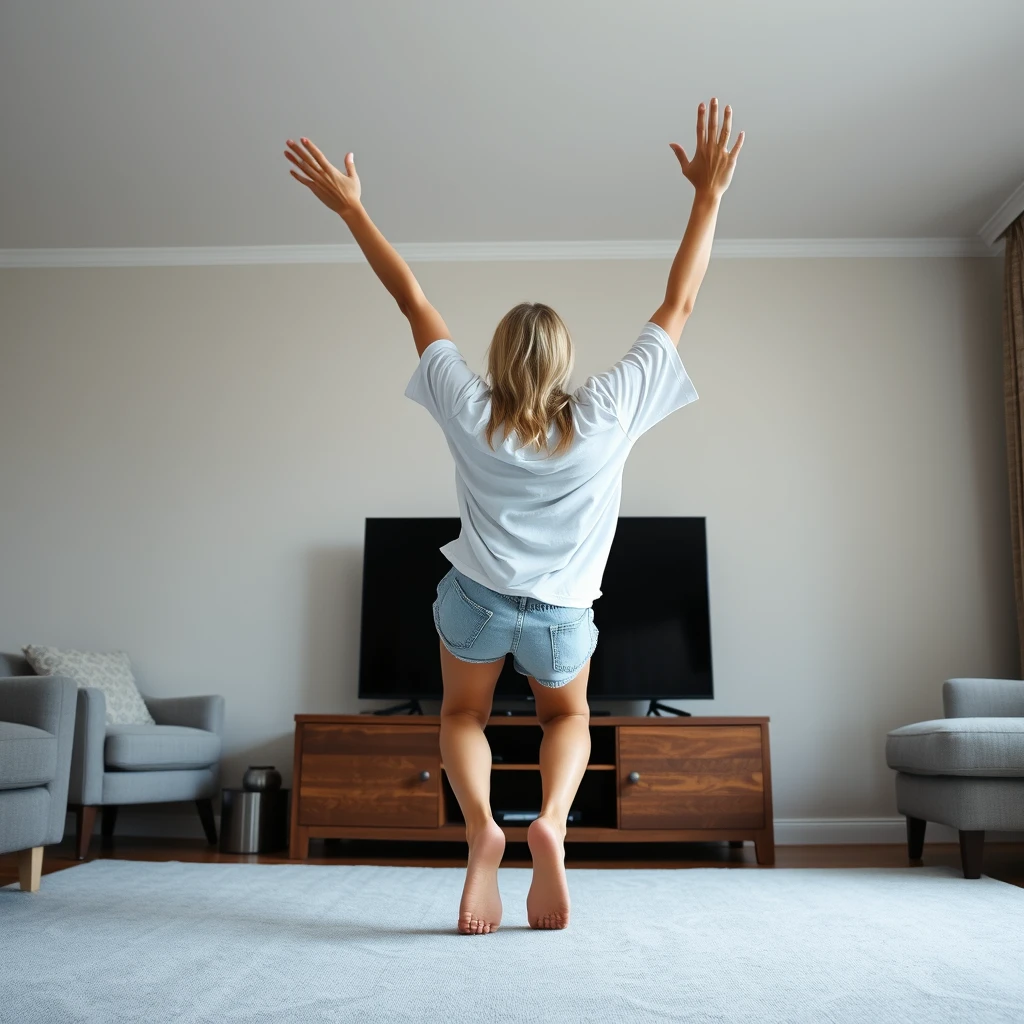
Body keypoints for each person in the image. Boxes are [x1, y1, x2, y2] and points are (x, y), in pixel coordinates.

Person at [285, 97, 744, 935]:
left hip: (475, 601)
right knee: (567, 716)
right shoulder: (606, 411)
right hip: (563, 614)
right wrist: (706, 196)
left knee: (461, 714)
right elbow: (679, 300)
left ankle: (481, 831)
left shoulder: (468, 406)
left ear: (497, 359)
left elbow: (411, 299)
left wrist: (354, 210)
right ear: (567, 361)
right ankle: (552, 825)